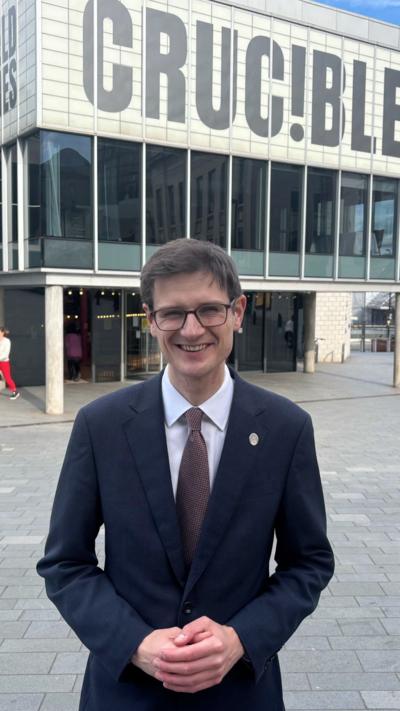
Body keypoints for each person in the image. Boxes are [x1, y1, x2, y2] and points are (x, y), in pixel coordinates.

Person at [37, 238, 334, 711]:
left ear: (238, 311)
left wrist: (240, 638)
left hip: (240, 694)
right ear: (151, 319)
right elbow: (64, 564)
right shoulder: (101, 425)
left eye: (209, 310)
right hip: (126, 694)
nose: (191, 329)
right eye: (173, 313)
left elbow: (309, 563)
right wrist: (134, 643)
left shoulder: (286, 428)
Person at [0, 327, 20, 400]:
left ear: (2, 332)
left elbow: (6, 354)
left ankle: (15, 392)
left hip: (4, 362)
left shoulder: (7, 341)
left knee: (7, 378)